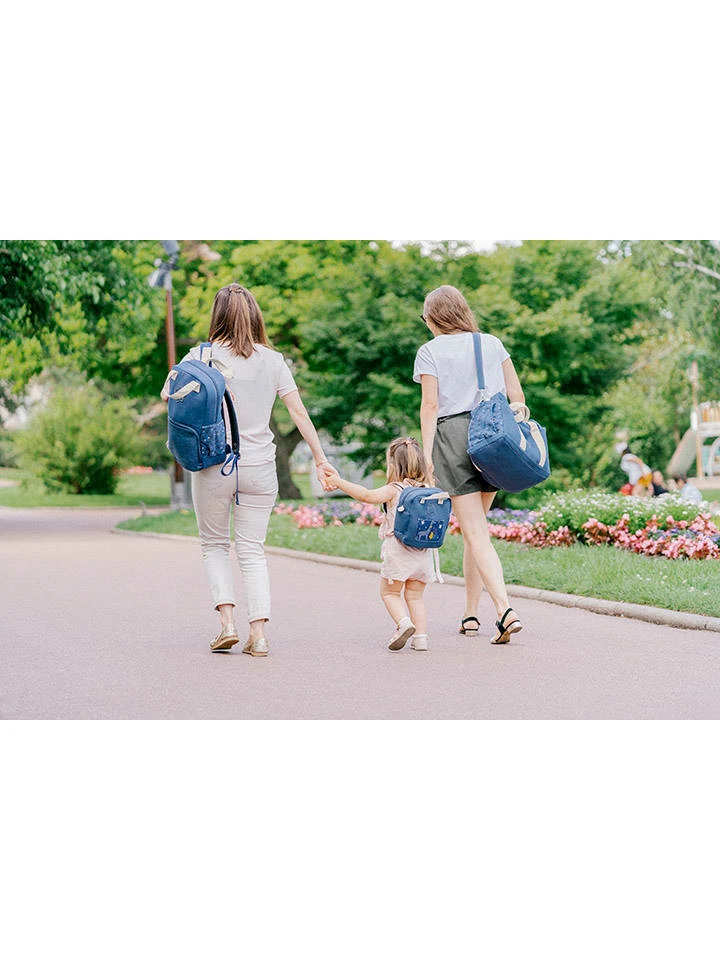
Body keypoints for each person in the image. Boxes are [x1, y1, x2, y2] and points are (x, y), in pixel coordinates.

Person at [162, 283, 335, 656]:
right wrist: (320, 459)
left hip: (213, 464)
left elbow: (167, 395)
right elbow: (298, 411)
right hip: (259, 467)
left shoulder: (200, 356)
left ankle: (227, 624)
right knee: (252, 551)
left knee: (214, 545)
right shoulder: (273, 360)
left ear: (217, 315)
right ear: (255, 315)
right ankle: (258, 635)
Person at [413, 285, 524, 645]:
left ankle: (505, 609)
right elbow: (517, 397)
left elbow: (430, 406)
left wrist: (427, 455)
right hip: (492, 435)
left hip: (454, 437)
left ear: (434, 317)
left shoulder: (429, 351)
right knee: (476, 532)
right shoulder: (491, 343)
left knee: (475, 533)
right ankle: (470, 614)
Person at [325, 437, 437, 652]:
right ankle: (421, 639)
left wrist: (339, 482)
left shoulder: (394, 489)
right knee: (415, 597)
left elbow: (366, 495)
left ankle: (403, 623)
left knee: (389, 593)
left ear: (393, 465)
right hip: (424, 554)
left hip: (399, 552)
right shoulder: (430, 488)